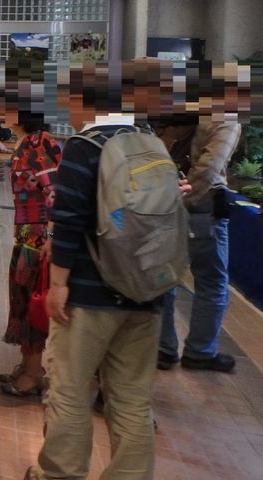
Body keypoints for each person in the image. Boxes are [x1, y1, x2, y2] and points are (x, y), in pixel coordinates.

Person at [27, 103, 186, 480]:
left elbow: (69, 219)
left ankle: (59, 474)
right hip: (147, 291)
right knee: (132, 399)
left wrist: (59, 284)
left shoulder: (86, 146)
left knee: (70, 388)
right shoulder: (151, 142)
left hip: (90, 294)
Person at [155, 112, 241, 372]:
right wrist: (185, 202)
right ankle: (200, 351)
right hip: (203, 210)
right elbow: (210, 168)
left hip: (164, 206)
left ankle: (163, 347)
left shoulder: (174, 115)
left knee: (164, 279)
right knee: (212, 282)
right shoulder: (225, 119)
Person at [0, 115, 61, 397]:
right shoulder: (25, 142)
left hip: (38, 240)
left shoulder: (40, 146)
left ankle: (34, 373)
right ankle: (27, 365)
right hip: (28, 235)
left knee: (32, 302)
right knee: (22, 300)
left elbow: (57, 197)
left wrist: (49, 238)